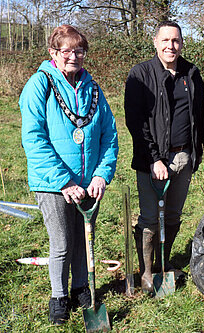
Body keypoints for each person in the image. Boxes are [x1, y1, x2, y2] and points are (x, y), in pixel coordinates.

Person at [19, 25, 118, 325]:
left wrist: (101, 175)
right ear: (53, 53)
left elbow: (109, 136)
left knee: (82, 241)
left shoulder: (94, 89)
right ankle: (59, 297)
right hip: (54, 184)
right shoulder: (39, 85)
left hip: (88, 183)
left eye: (79, 50)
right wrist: (64, 181)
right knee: (61, 243)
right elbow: (33, 138)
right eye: (67, 51)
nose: (74, 56)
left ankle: (80, 290)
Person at [124, 21, 204, 294]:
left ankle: (163, 263)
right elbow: (136, 122)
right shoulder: (141, 74)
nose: (171, 46)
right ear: (155, 42)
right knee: (150, 217)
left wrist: (197, 152)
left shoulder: (191, 73)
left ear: (182, 43)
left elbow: (201, 116)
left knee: (172, 216)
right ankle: (146, 272)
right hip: (153, 162)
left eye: (176, 40)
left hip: (183, 157)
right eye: (166, 40)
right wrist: (154, 158)